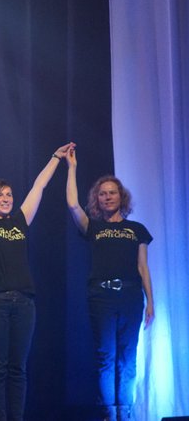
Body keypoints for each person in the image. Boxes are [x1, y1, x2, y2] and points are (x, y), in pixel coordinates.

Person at [0, 142, 74, 421]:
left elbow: (39, 186)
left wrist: (56, 157)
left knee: (18, 368)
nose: (6, 199)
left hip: (24, 303)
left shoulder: (19, 222)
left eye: (9, 194)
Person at [65, 149, 153, 421]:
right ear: (97, 199)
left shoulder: (136, 229)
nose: (107, 197)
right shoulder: (94, 227)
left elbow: (142, 267)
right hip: (101, 296)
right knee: (106, 357)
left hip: (130, 297)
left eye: (112, 192)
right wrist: (71, 167)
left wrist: (151, 302)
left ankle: (125, 414)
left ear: (121, 196)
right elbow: (72, 205)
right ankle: (109, 414)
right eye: (102, 194)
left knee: (128, 358)